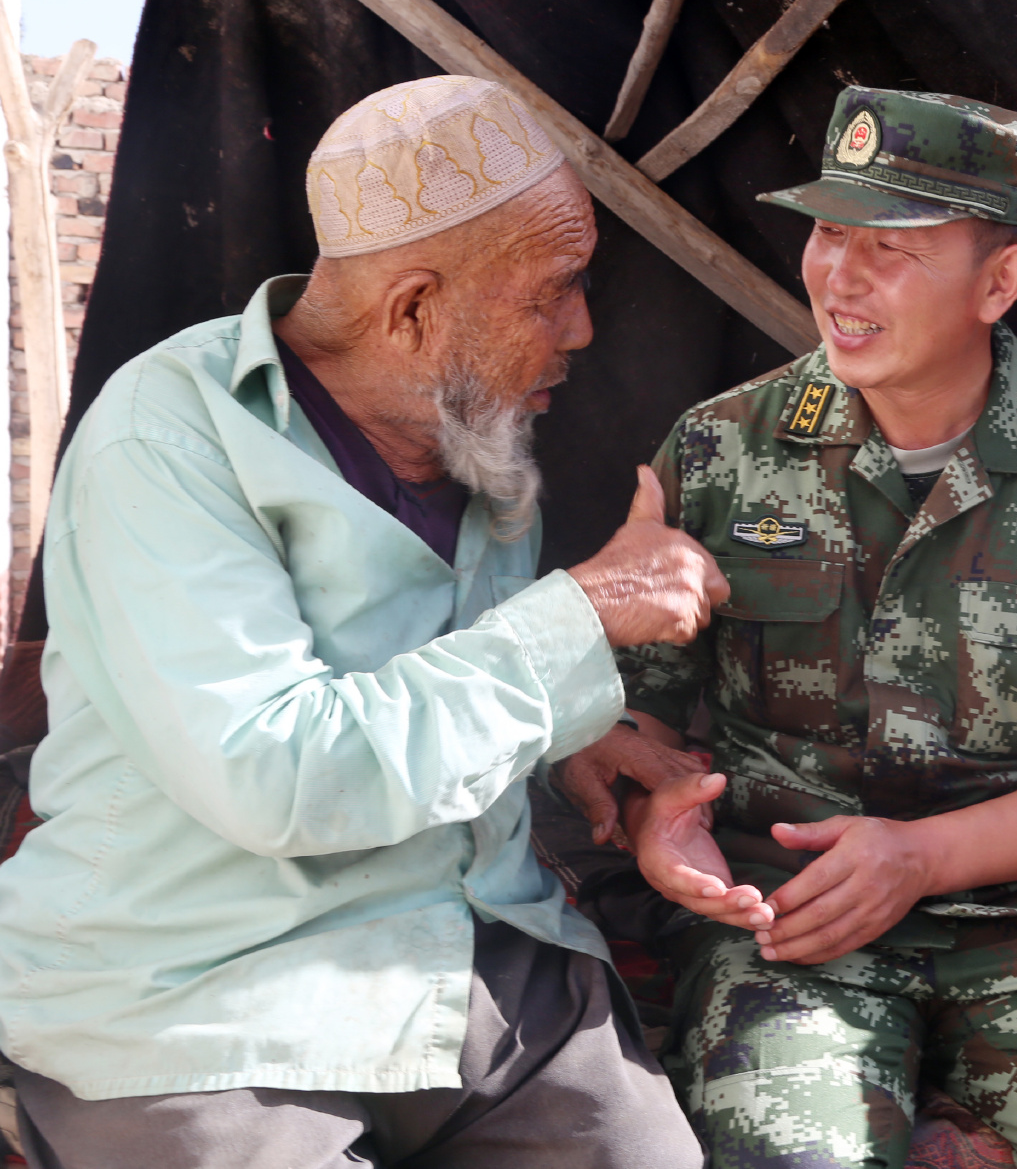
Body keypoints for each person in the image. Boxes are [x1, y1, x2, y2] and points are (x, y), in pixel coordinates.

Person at [0, 76, 724, 1168]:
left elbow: (424, 686)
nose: (579, 329)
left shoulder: (473, 439)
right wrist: (581, 617)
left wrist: (569, 731)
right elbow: (275, 771)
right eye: (551, 291)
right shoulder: (166, 436)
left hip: (468, 957)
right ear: (414, 309)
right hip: (198, 988)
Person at [595, 86, 1017, 1169]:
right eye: (826, 232)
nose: (839, 277)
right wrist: (656, 822)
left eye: (892, 246)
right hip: (784, 926)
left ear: (998, 282)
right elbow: (634, 722)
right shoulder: (719, 451)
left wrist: (918, 858)